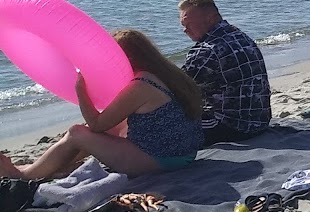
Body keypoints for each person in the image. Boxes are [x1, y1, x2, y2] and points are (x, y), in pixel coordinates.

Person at [0, 29, 206, 180]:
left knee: (77, 132)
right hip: (184, 154)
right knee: (105, 128)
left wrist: (80, 90)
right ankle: (56, 165)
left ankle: (24, 175)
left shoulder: (140, 85)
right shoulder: (165, 74)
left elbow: (99, 124)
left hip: (162, 161)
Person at [179, 0, 271, 146]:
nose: (185, 30)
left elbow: (176, 87)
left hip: (232, 127)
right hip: (260, 121)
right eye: (183, 25)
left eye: (188, 24)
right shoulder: (241, 36)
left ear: (210, 18)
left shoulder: (207, 50)